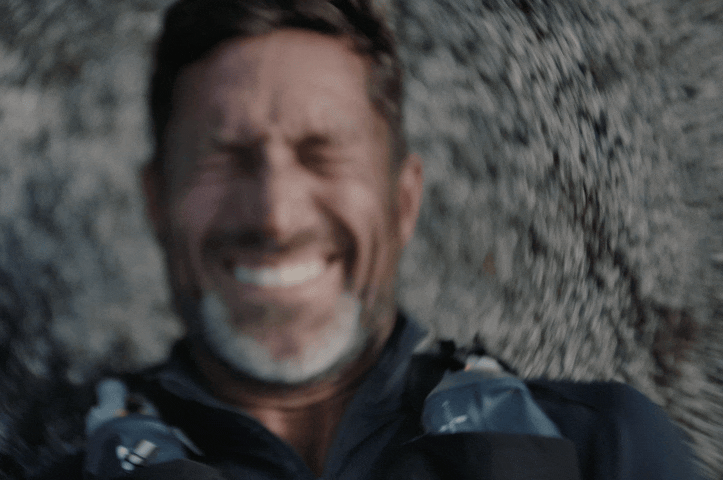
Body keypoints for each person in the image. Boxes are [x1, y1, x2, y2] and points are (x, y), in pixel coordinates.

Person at [46, 0, 700, 478]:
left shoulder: (605, 448)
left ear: (403, 201)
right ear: (156, 203)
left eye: (322, 153)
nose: (275, 217)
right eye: (225, 156)